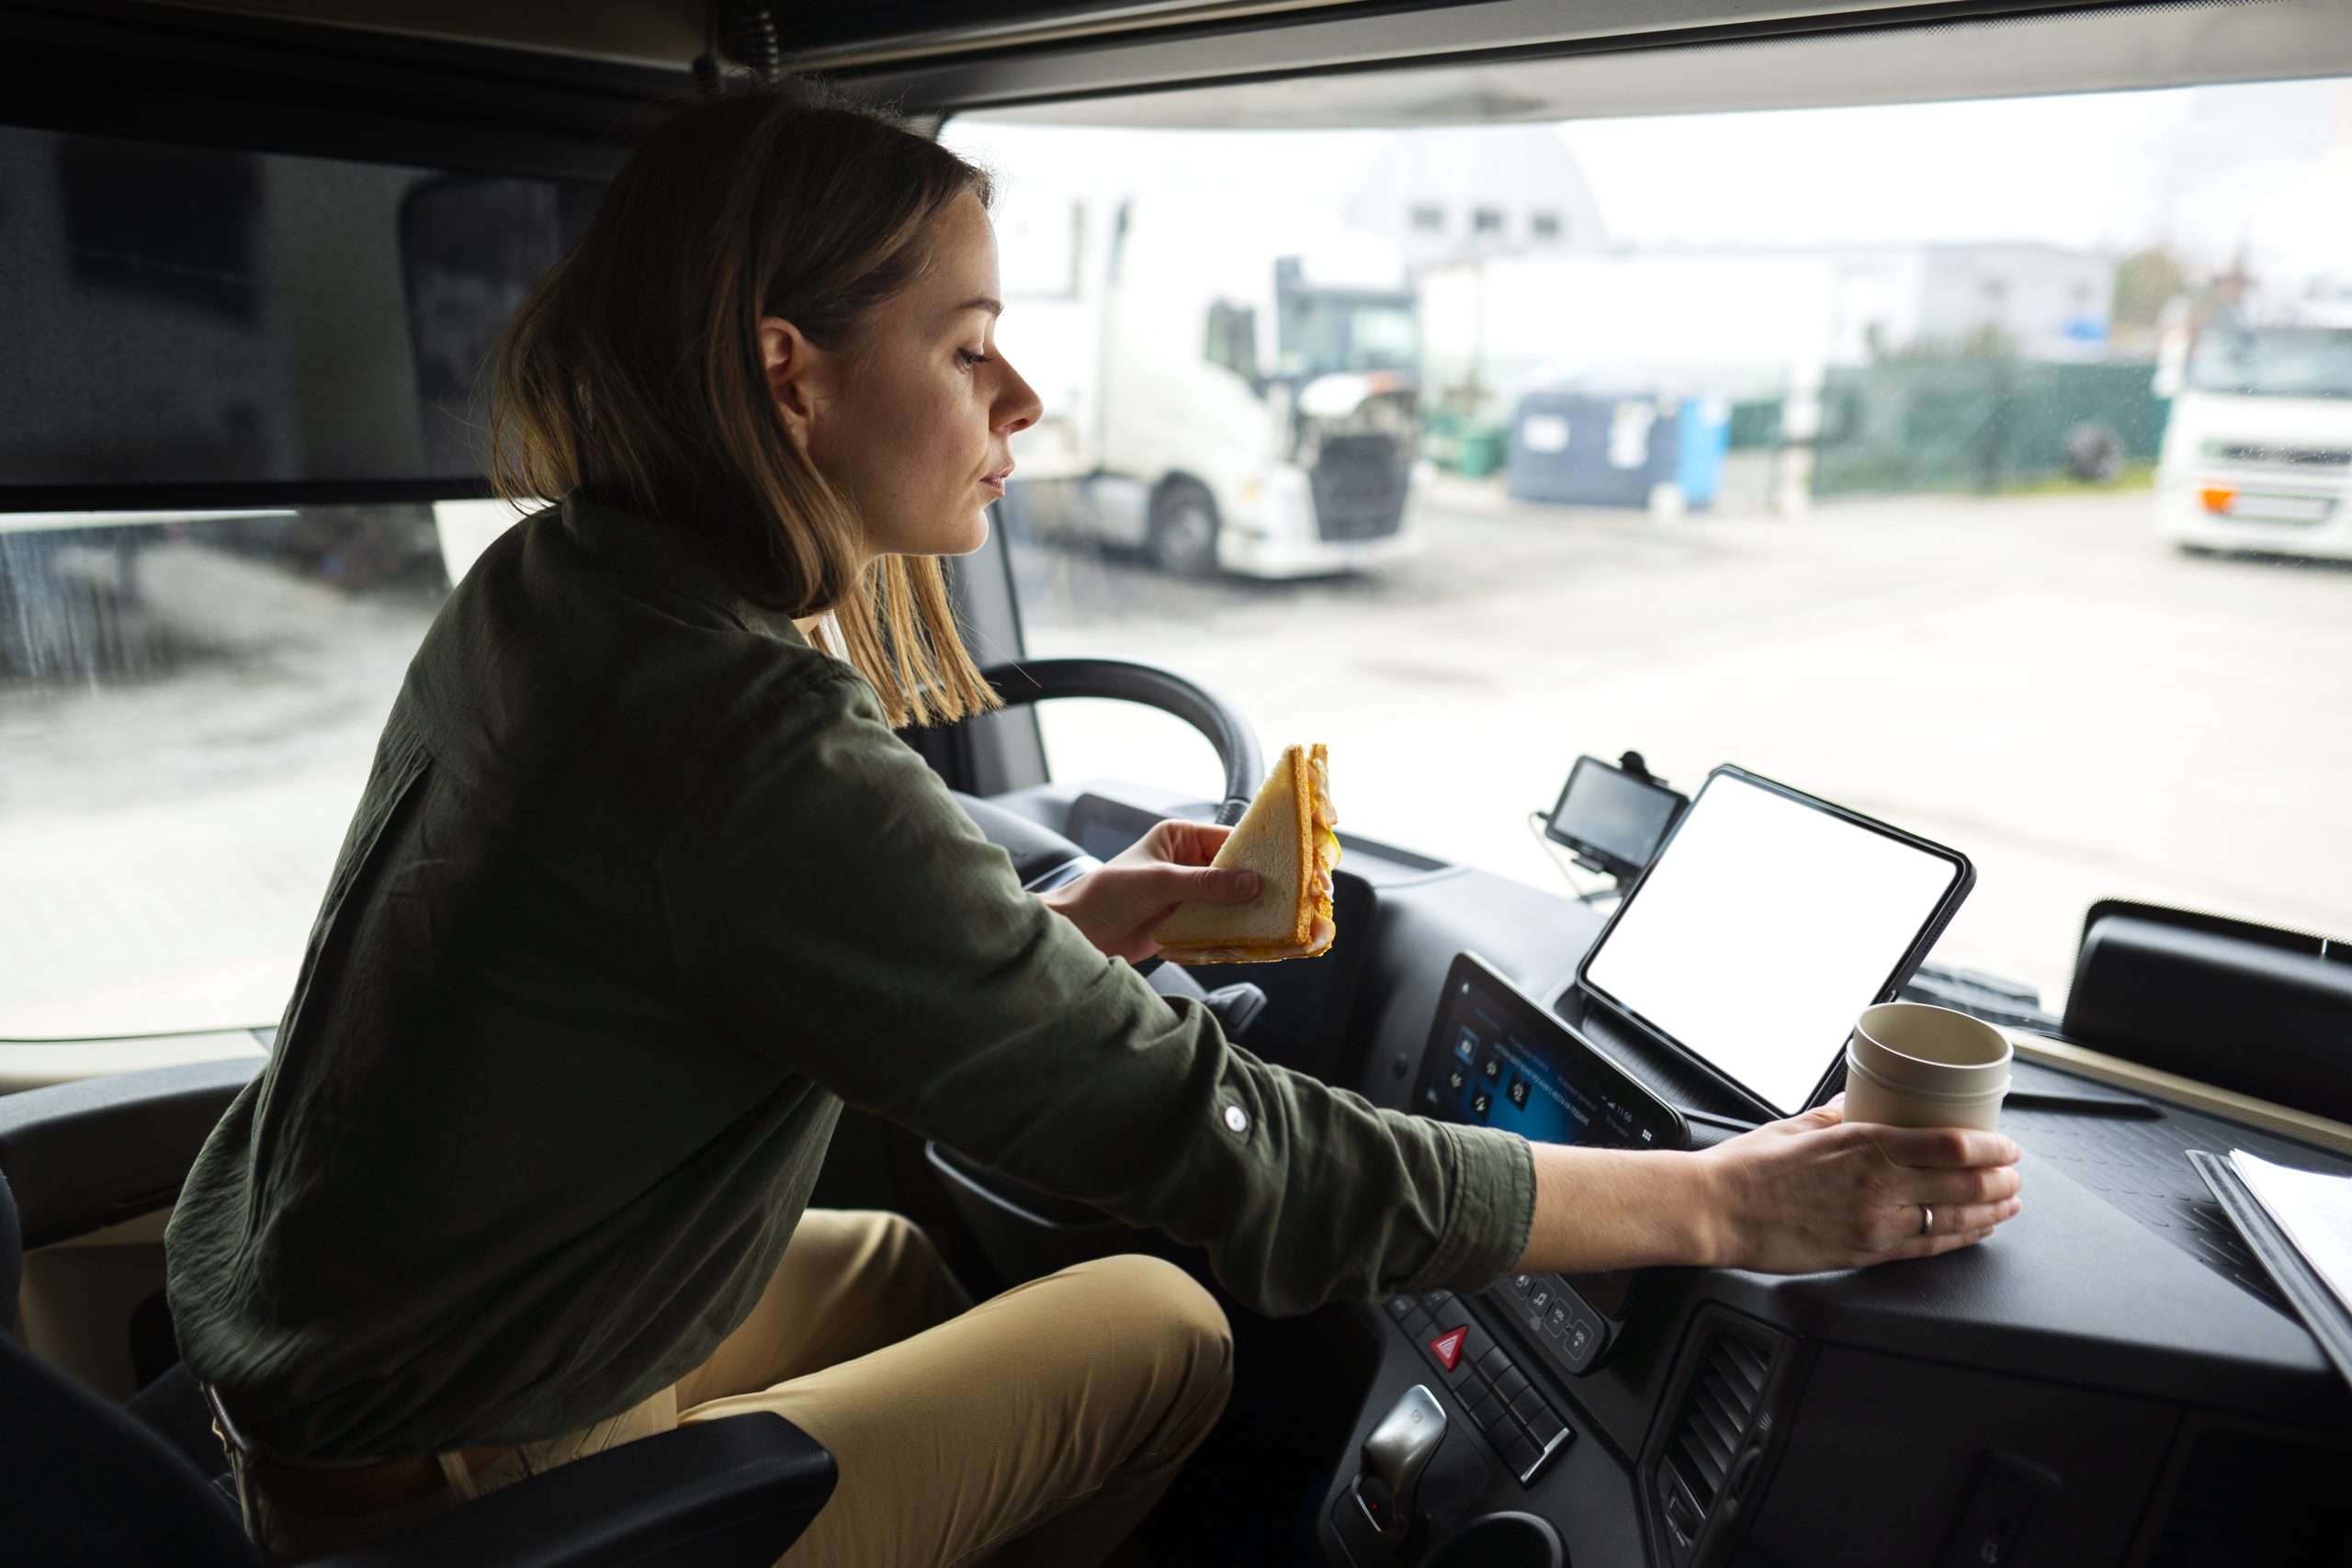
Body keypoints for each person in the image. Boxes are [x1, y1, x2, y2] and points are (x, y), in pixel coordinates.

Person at [163, 77, 2024, 1568]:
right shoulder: (742, 731)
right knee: (1165, 1330)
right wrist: (1719, 1193)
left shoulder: (570, 586)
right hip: (465, 1473)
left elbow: (708, 938)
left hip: (357, 1348)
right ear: (786, 370)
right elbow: (1249, 1165)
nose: (1024, 399)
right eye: (966, 342)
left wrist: (1090, 928)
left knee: (900, 1263)